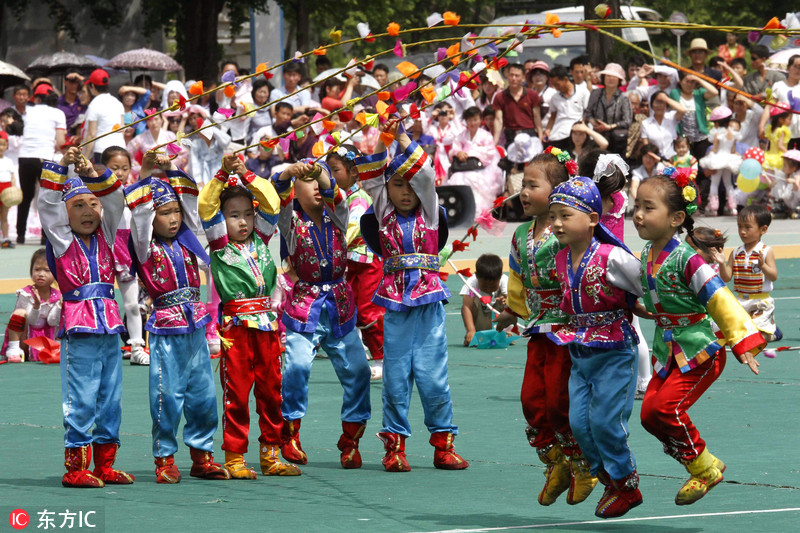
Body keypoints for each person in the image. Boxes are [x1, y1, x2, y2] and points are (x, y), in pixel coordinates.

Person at [633, 170, 764, 507]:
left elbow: (719, 298)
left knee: (665, 408)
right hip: (671, 350)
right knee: (648, 414)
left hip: (701, 351)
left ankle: (704, 469)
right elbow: (649, 294)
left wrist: (742, 344)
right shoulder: (647, 254)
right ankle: (703, 464)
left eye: (648, 207)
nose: (638, 214)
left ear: (677, 217)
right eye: (637, 206)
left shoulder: (688, 259)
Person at [354, 119, 468, 472]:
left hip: (429, 303)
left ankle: (443, 446)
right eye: (397, 185)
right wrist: (379, 136)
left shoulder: (431, 213)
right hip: (396, 306)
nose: (405, 192)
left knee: (434, 378)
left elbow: (425, 175)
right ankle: (394, 447)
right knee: (395, 377)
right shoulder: (383, 212)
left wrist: (403, 137)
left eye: (410, 186)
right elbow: (372, 179)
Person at [495, 149, 592, 506]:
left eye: (532, 185)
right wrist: (511, 311)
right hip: (537, 328)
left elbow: (587, 266)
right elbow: (519, 280)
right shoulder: (520, 234)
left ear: (557, 191)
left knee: (558, 400)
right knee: (531, 400)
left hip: (566, 329)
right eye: (523, 184)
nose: (523, 191)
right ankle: (556, 463)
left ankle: (581, 465)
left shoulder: (566, 230)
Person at [125, 153, 229, 483]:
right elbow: (139, 215)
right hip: (167, 329)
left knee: (203, 394)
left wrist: (171, 169)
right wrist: (145, 172)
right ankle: (165, 459)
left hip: (195, 326)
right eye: (164, 213)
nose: (172, 219)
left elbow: (190, 201)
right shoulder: (143, 246)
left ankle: (202, 456)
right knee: (166, 395)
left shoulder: (188, 241)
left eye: (175, 212)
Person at [198, 154, 301, 479]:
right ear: (221, 219)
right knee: (237, 393)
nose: (242, 222)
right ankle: (234, 458)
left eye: (246, 214)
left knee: (272, 391)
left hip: (267, 325)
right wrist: (222, 173)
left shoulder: (262, 237)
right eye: (233, 215)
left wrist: (246, 173)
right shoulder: (218, 243)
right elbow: (204, 207)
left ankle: (271, 455)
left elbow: (271, 203)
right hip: (236, 329)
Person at [547, 176, 644, 519]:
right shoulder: (559, 260)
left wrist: (661, 314)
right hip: (580, 353)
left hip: (614, 352)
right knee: (578, 423)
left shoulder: (612, 257)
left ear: (592, 219)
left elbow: (645, 285)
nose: (557, 223)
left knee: (605, 423)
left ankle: (628, 487)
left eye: (565, 215)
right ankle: (610, 481)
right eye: (553, 215)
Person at [39, 146, 133, 488]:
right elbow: (47, 206)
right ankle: (76, 467)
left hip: (109, 325)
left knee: (111, 395)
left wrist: (91, 171)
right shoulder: (62, 240)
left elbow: (115, 200)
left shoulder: (107, 236)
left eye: (92, 204)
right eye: (78, 205)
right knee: (81, 395)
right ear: (65, 215)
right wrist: (63, 166)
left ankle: (105, 465)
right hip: (80, 326)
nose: (89, 210)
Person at [272, 158, 371, 469]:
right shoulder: (290, 224)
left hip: (339, 307)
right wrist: (287, 173)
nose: (315, 185)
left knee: (359, 371)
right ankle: (290, 435)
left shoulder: (339, 216)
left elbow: (336, 195)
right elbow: (279, 194)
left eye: (320, 180)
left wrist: (320, 174)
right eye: (308, 181)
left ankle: (351, 440)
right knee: (296, 368)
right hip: (304, 307)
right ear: (295, 191)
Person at [326, 145, 385, 380]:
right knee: (352, 309)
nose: (331, 176)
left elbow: (354, 230)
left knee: (369, 311)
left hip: (367, 261)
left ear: (353, 171)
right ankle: (362, 354)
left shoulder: (359, 198)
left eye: (335, 170)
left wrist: (333, 249)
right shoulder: (345, 197)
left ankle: (381, 359)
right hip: (352, 262)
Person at [101, 146, 148, 365]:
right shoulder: (96, 194)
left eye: (124, 168)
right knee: (102, 301)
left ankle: (137, 346)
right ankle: (104, 344)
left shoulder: (133, 191)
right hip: (104, 251)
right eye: (114, 168)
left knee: (131, 304)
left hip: (127, 251)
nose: (120, 172)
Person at [715, 206, 779, 358]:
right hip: (740, 300)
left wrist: (763, 266)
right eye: (739, 227)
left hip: (760, 301)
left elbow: (774, 276)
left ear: (763, 229)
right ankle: (771, 330)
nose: (742, 231)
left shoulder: (765, 251)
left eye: (748, 227)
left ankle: (771, 333)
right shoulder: (736, 252)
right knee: (726, 329)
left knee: (755, 335)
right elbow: (726, 277)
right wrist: (721, 263)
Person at [17, 83, 67, 244]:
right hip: (44, 159)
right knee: (47, 198)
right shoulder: (58, 113)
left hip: (24, 157)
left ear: (37, 98)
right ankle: (45, 237)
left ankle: (20, 235)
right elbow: (60, 142)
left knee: (26, 197)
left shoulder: (28, 111)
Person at [1, 248, 61, 363]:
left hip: (47, 339)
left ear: (55, 273)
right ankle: (13, 349)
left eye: (47, 270)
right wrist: (37, 305)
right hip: (26, 339)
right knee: (20, 313)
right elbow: (32, 321)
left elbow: (52, 321)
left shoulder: (58, 296)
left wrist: (59, 304)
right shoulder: (25, 294)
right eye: (37, 269)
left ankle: (57, 348)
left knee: (66, 312)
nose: (41, 274)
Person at [449, 106, 503, 213]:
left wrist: (472, 153)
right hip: (463, 167)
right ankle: (462, 209)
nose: (472, 123)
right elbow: (454, 149)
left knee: (475, 179)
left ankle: (477, 210)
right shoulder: (461, 135)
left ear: (480, 120)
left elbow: (490, 152)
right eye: (469, 120)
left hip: (482, 167)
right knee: (456, 178)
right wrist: (458, 153)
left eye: (475, 120)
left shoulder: (485, 135)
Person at [699, 107, 742, 216]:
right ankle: (733, 207)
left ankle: (713, 207)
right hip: (728, 159)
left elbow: (714, 149)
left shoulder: (717, 134)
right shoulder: (733, 134)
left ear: (717, 123)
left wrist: (709, 155)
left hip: (718, 159)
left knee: (715, 183)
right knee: (728, 183)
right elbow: (732, 150)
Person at [584, 63, 632, 154]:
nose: (611, 79)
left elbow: (627, 121)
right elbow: (588, 112)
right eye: (608, 76)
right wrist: (594, 123)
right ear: (603, 78)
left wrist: (609, 127)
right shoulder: (596, 93)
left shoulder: (624, 98)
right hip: (597, 137)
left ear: (619, 80)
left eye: (614, 77)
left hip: (616, 140)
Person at [460, 253, 507, 345]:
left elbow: (512, 304)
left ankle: (505, 331)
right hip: (480, 318)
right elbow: (466, 308)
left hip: (498, 316)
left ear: (500, 276)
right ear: (477, 276)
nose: (489, 289)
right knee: (469, 301)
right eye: (485, 286)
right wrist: (470, 330)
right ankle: (474, 334)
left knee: (510, 301)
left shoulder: (505, 281)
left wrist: (505, 301)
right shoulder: (472, 284)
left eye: (493, 285)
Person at [492, 63, 543, 147]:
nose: (513, 78)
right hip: (511, 134)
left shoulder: (532, 95)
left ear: (523, 78)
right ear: (507, 76)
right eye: (511, 75)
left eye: (517, 76)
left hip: (529, 134)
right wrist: (495, 141)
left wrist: (540, 137)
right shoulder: (500, 97)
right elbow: (498, 120)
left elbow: (537, 117)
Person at [82, 69, 125, 163]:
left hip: (102, 151)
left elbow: (91, 134)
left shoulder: (94, 105)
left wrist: (86, 157)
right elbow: (122, 129)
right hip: (121, 150)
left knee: (103, 178)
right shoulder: (117, 103)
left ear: (92, 86)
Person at [760, 55, 800, 150]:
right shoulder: (778, 86)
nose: (798, 70)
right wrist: (761, 126)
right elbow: (769, 107)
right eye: (795, 66)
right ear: (788, 67)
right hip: (780, 132)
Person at [545, 66, 590, 151]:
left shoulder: (583, 92)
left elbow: (587, 113)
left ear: (565, 79)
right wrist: (547, 130)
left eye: (557, 84)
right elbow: (553, 116)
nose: (556, 88)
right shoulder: (554, 97)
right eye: (553, 85)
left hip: (575, 133)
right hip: (558, 135)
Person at [640, 91, 685, 161]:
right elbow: (646, 147)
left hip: (674, 158)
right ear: (652, 104)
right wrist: (658, 160)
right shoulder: (645, 123)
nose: (659, 106)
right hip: (656, 160)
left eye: (662, 102)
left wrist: (666, 99)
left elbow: (683, 110)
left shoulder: (671, 117)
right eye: (657, 102)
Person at [0, 131, 19, 247]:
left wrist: (13, 189)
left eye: (2, 145)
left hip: (6, 190)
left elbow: (12, 177)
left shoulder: (9, 161)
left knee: (4, 216)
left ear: (6, 146)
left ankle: (5, 238)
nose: (1, 147)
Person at [763, 106, 792, 172]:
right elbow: (780, 145)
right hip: (778, 157)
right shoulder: (782, 130)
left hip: (770, 155)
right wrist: (788, 153)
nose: (790, 121)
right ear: (781, 119)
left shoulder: (771, 129)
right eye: (789, 119)